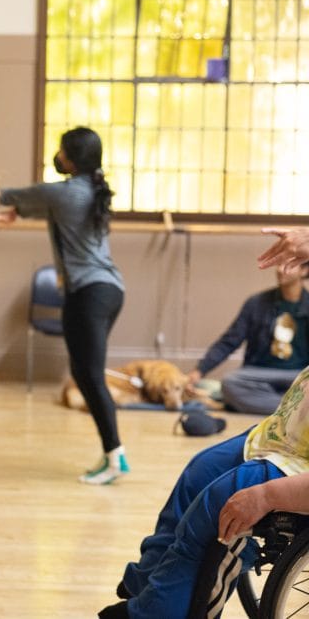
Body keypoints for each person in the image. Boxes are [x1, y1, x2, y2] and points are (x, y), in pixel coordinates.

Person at [100, 367, 309, 619]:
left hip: (300, 472)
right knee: (199, 472)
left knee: (217, 509)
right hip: (283, 441)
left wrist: (267, 496)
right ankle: (148, 581)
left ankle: (158, 610)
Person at [0, 126, 126, 484]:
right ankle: (114, 455)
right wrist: (17, 211)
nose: (57, 157)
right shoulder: (90, 190)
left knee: (90, 376)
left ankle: (115, 459)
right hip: (107, 291)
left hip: (90, 292)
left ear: (71, 159)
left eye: (61, 152)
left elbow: (6, 195)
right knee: (84, 373)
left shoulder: (64, 193)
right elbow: (33, 208)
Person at [186, 262, 309, 414]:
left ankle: (283, 406)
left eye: (289, 265)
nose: (280, 269)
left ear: (304, 270)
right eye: (278, 264)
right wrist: (199, 370)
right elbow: (229, 341)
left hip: (296, 376)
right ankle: (295, 410)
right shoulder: (256, 303)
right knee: (230, 383)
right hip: (257, 374)